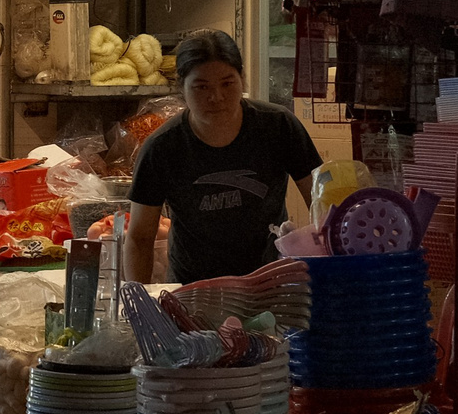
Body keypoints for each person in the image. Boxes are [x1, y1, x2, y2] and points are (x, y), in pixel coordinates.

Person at [125, 29, 323, 286]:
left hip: (270, 283)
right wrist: (137, 299)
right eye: (202, 87)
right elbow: (140, 238)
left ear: (242, 79)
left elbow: (322, 204)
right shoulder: (162, 147)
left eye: (227, 83)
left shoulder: (278, 126)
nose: (216, 97)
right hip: (193, 289)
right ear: (182, 87)